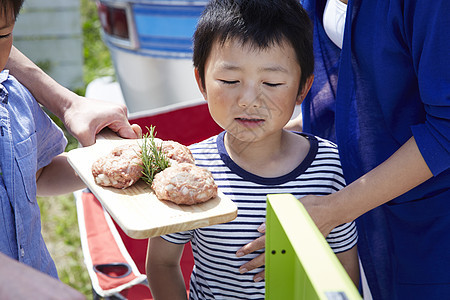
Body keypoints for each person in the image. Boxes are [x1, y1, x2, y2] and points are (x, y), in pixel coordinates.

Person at [146, 0, 359, 299]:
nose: (249, 99)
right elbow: (162, 263)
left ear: (303, 88)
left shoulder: (330, 168)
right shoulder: (187, 174)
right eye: (230, 80)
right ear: (201, 82)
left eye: (271, 83)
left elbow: (344, 270)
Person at [285, 0, 449, 299]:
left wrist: (336, 209)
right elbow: (352, 88)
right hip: (357, 204)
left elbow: (446, 128)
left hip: (430, 218)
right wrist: (271, 130)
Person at [0, 0, 110, 281]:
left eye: (2, 35)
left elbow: (40, 175)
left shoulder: (15, 97)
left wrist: (102, 162)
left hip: (37, 278)